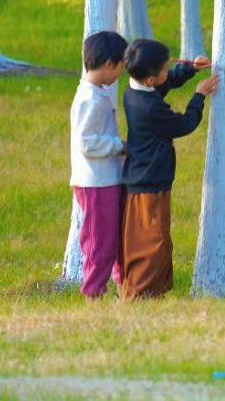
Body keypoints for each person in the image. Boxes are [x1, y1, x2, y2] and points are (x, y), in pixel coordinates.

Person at [120, 38, 218, 300]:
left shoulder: (134, 92)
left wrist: (190, 69)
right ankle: (138, 295)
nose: (169, 70)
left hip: (147, 179)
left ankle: (152, 292)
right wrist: (199, 95)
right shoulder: (150, 108)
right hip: (149, 185)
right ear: (150, 80)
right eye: (165, 68)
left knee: (156, 239)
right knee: (152, 242)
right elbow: (184, 124)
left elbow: (166, 82)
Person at [70, 30, 129, 300]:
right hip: (95, 183)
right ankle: (93, 293)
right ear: (108, 64)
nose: (121, 72)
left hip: (107, 179)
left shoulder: (97, 94)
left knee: (112, 237)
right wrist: (119, 145)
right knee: (100, 241)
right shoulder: (89, 99)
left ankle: (120, 286)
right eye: (121, 66)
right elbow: (87, 143)